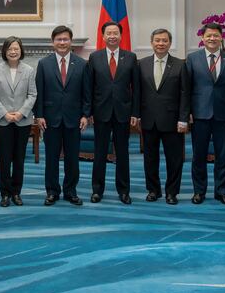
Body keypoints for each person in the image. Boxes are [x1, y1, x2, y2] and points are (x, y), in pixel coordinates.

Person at [185, 22, 225, 207]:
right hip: (199, 115)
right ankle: (199, 192)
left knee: (223, 155)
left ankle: (221, 192)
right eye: (208, 35)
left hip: (223, 115)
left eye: (216, 35)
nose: (212, 38)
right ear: (203, 38)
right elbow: (187, 89)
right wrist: (187, 113)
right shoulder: (192, 58)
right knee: (198, 155)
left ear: (221, 38)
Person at [35, 25, 90, 206]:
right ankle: (52, 191)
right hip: (50, 119)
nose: (62, 42)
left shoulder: (81, 64)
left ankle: (70, 191)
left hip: (74, 118)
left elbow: (86, 93)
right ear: (53, 42)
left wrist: (85, 115)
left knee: (72, 158)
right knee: (51, 157)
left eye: (65, 39)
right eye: (58, 39)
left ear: (71, 42)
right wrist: (39, 115)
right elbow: (39, 92)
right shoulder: (44, 64)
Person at [86, 21, 140, 204]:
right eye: (108, 33)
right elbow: (89, 88)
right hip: (101, 113)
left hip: (123, 113)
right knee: (99, 153)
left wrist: (135, 112)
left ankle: (124, 190)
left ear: (120, 36)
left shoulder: (131, 57)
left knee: (123, 154)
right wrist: (89, 112)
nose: (112, 36)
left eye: (115, 33)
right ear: (103, 36)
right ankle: (97, 190)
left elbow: (137, 88)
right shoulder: (95, 57)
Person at [137, 28, 189, 205]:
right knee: (150, 158)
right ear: (152, 43)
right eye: (157, 40)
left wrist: (183, 118)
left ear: (170, 43)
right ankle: (153, 190)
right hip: (148, 119)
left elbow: (185, 93)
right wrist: (136, 115)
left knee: (174, 159)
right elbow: (137, 93)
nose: (161, 43)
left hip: (173, 121)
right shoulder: (141, 64)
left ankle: (171, 192)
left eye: (164, 40)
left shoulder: (180, 64)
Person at [0, 37, 37, 206]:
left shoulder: (29, 70)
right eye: (10, 49)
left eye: (16, 48)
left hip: (22, 122)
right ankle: (5, 194)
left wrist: (21, 113)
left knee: (19, 158)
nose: (13, 51)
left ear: (21, 50)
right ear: (5, 51)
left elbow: (32, 95)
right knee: (4, 158)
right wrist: (6, 114)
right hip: (2, 121)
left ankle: (16, 192)